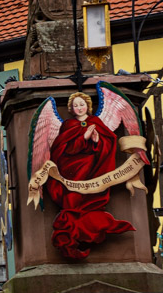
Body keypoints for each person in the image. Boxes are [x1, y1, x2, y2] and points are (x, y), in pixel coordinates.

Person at [44, 92, 133, 259]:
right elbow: (62, 149)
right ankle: (73, 232)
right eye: (75, 105)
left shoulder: (96, 122)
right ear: (71, 108)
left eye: (82, 104)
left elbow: (109, 142)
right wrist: (83, 138)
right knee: (73, 199)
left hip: (94, 169)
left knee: (91, 198)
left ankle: (87, 227)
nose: (79, 108)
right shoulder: (68, 125)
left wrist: (97, 140)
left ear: (88, 106)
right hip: (73, 169)